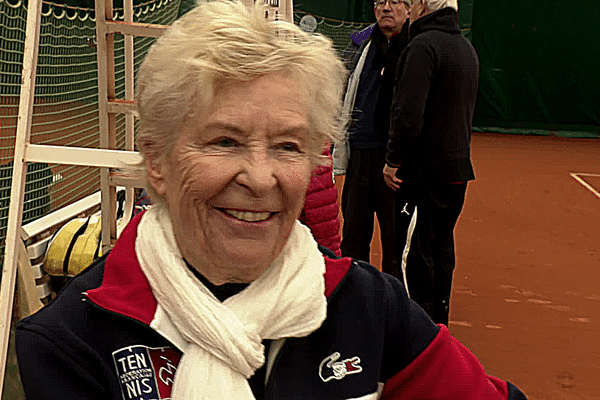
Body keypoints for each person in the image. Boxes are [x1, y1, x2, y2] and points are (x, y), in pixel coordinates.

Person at [16, 1, 526, 399]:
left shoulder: (370, 307)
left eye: (288, 146)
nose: (261, 179)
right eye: (225, 141)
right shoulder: (72, 343)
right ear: (157, 162)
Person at [383, 0, 480, 326]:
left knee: (414, 258)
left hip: (424, 175)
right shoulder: (466, 48)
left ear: (424, 5)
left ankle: (418, 339)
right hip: (455, 174)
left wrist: (393, 160)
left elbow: (408, 115)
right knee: (440, 252)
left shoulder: (422, 46)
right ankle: (439, 328)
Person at [332, 0, 410, 278]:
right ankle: (355, 297)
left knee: (396, 242)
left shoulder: (416, 47)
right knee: (353, 236)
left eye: (394, 2)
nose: (386, 8)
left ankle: (398, 305)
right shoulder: (360, 46)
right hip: (360, 154)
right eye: (380, 2)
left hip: (397, 164)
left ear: (410, 8)